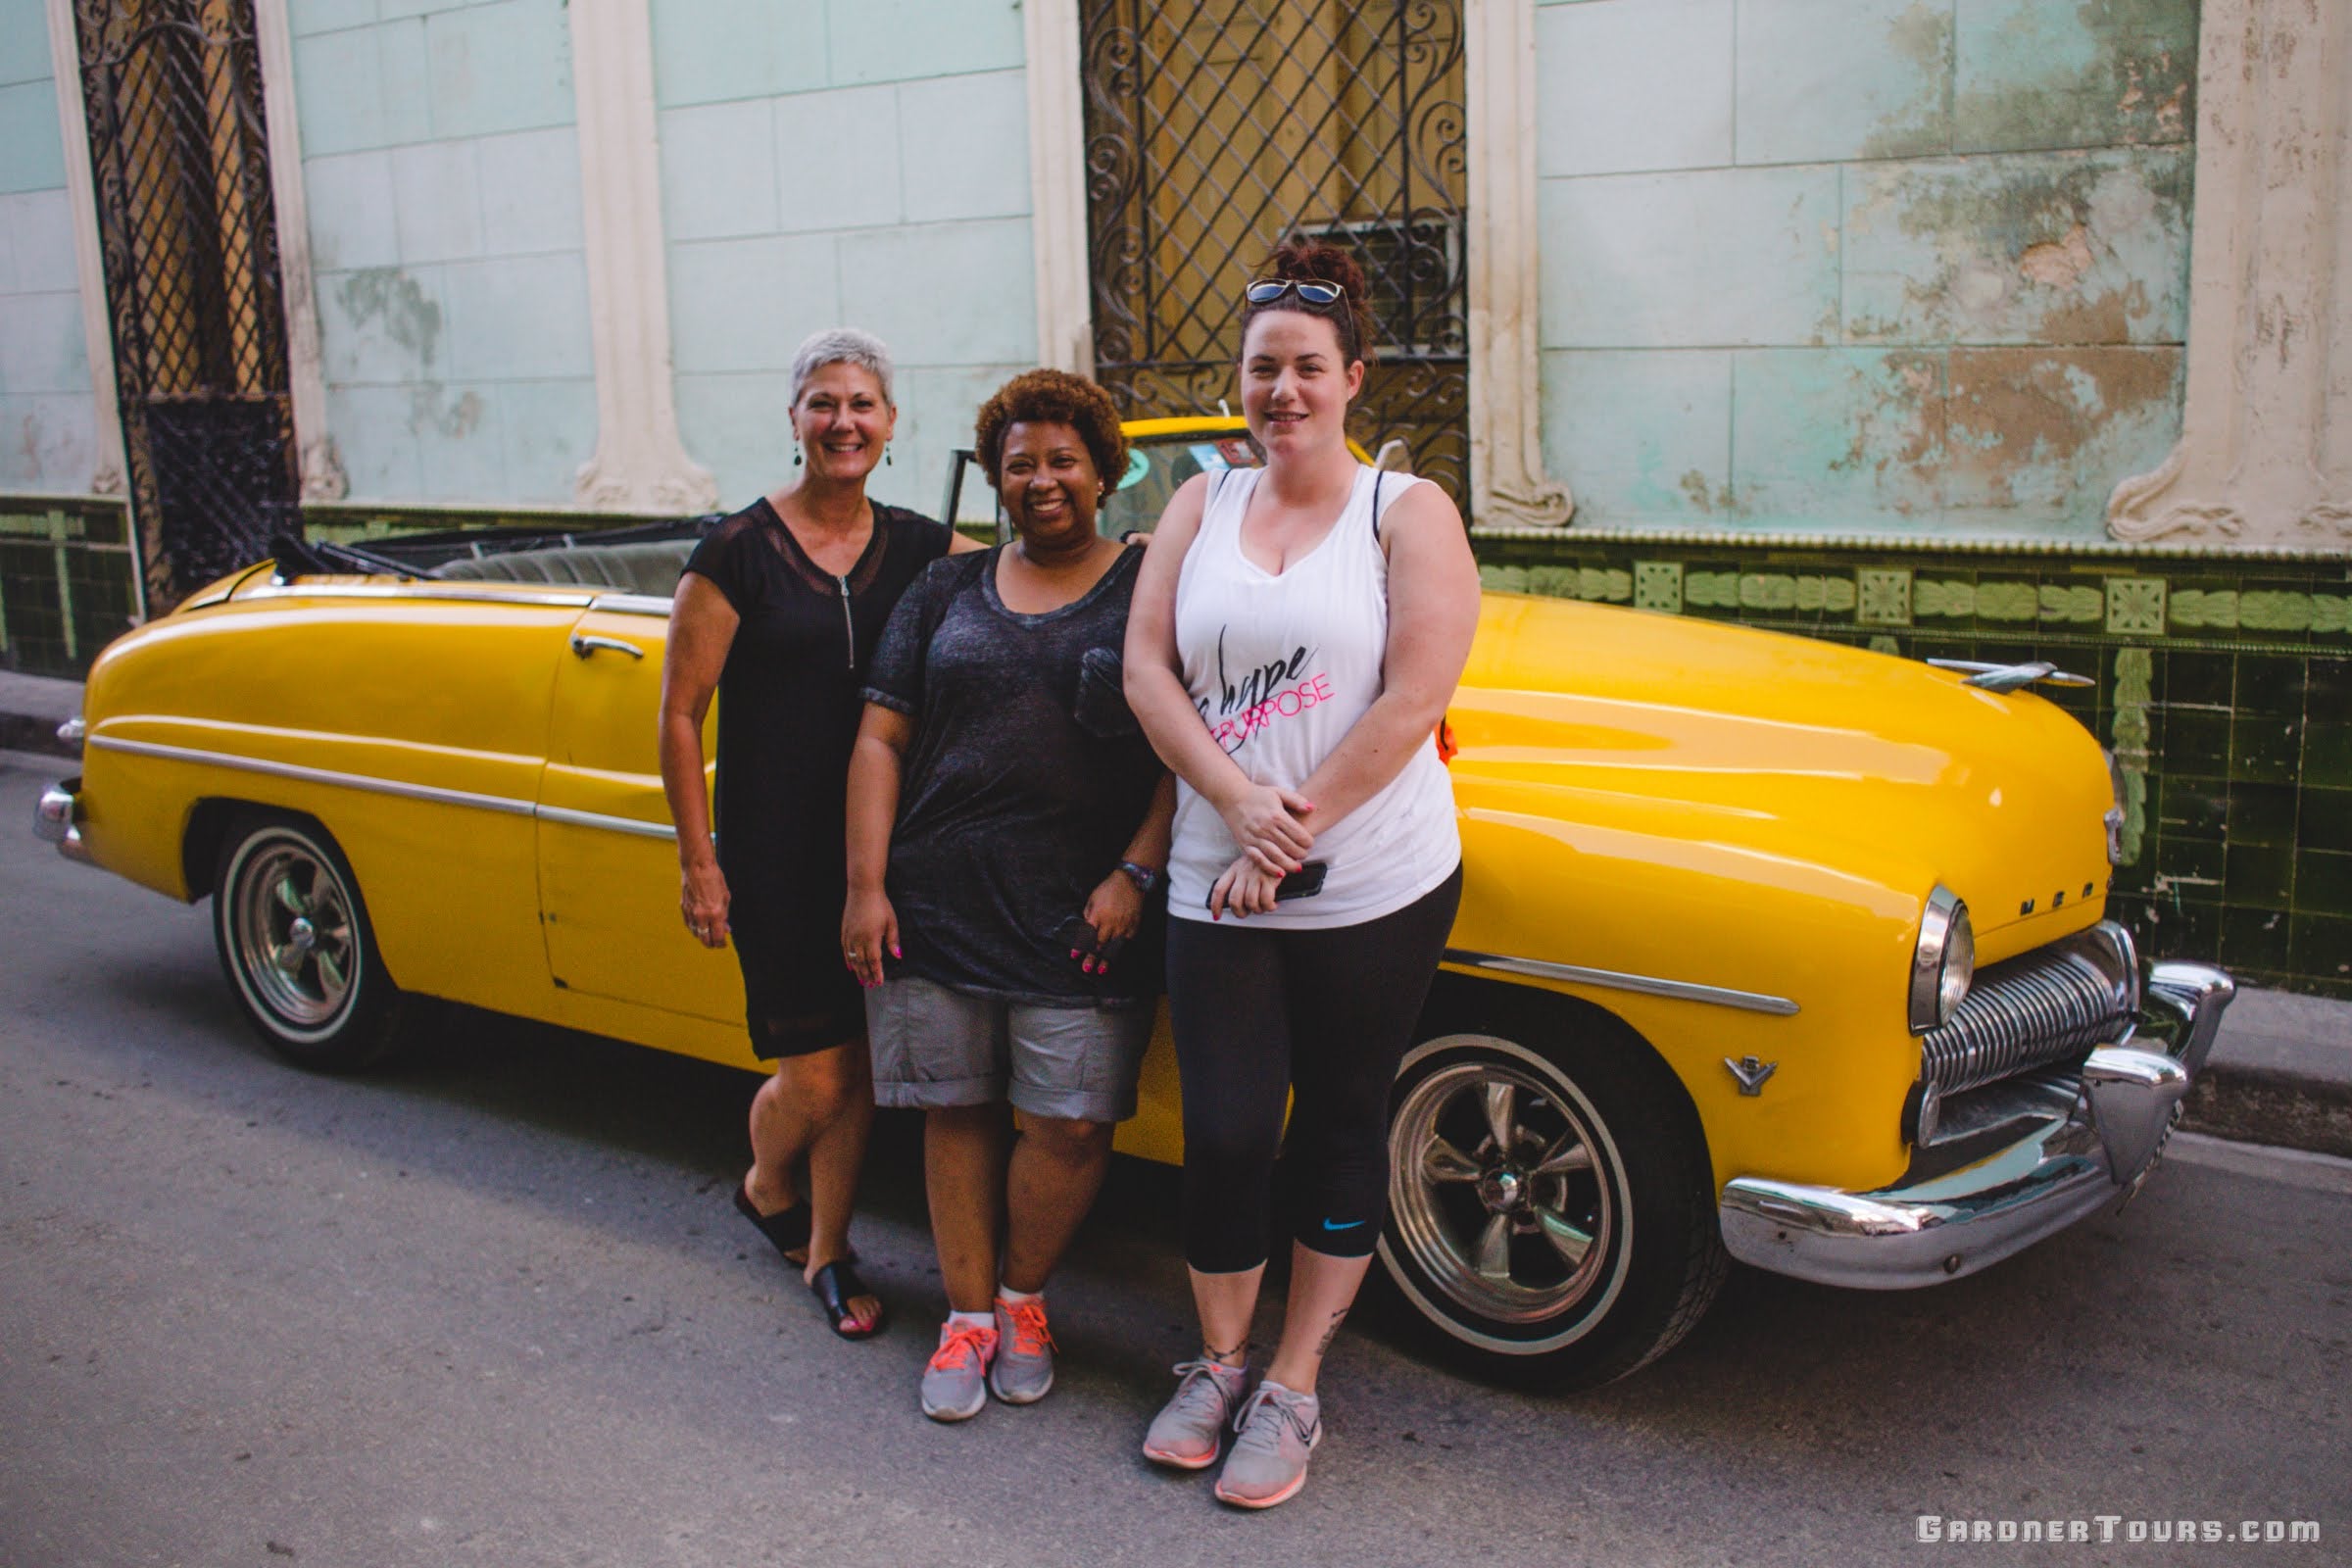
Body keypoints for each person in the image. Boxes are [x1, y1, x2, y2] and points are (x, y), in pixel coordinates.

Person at [1121, 240, 1481, 1507]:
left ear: (1353, 377)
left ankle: (1293, 1383)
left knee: (1336, 1125)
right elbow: (1146, 671)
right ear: (1243, 378)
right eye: (1264, 367)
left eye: (1308, 368)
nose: (1284, 390)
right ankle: (1216, 1361)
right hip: (1218, 877)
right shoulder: (1200, 504)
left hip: (1374, 879)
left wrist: (1302, 826)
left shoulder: (1406, 509)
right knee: (1222, 1133)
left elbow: (1417, 692)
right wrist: (1234, 805)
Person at [842, 368, 1176, 1422]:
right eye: (1019, 463)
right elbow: (882, 736)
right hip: (936, 899)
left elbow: (1193, 745)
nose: (1041, 481)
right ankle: (968, 1315)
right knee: (954, 1109)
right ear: (995, 477)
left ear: (1102, 470)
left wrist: (1136, 870)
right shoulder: (945, 589)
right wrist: (865, 884)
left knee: (1068, 1125)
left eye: (1062, 460)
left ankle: (1025, 1298)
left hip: (1083, 913)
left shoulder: (1149, 586)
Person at [659, 327, 983, 1339]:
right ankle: (765, 1180)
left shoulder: (924, 546)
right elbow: (680, 712)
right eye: (823, 402)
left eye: (863, 404)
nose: (844, 421)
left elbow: (1041, 575)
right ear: (795, 419)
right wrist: (700, 862)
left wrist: (1145, 557)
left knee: (860, 1067)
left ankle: (829, 1247)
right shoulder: (736, 552)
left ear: (891, 424)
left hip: (881, 857)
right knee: (821, 1070)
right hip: (775, 853)